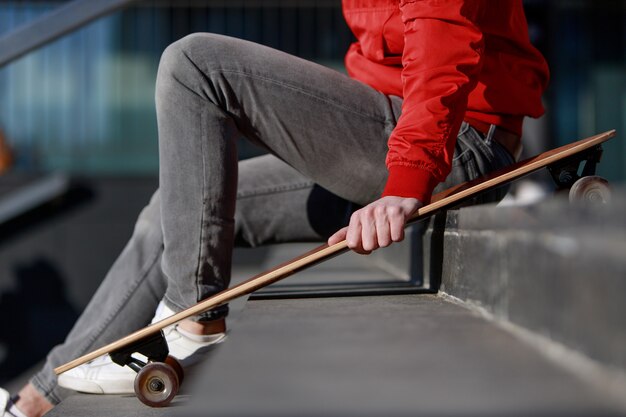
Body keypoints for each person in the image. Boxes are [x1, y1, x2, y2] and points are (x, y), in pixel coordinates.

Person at [1, 0, 549, 415]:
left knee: (194, 64)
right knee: (171, 208)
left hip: (455, 143)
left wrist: (408, 176)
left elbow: (441, 41)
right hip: (391, 140)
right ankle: (36, 399)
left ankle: (194, 317)